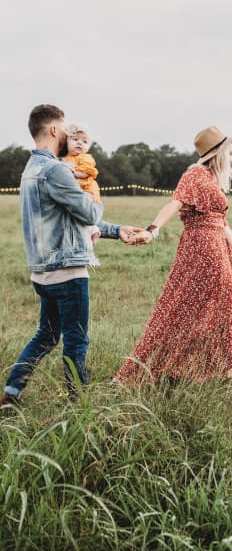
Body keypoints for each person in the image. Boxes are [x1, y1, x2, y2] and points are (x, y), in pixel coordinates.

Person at [0, 104, 142, 408]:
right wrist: (94, 192)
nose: (68, 135)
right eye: (65, 129)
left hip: (42, 272)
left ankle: (11, 394)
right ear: (54, 130)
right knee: (76, 341)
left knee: (47, 336)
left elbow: (70, 220)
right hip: (67, 271)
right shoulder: (55, 169)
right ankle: (79, 406)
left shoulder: (30, 170)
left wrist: (117, 231)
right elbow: (89, 211)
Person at [113, 125, 232, 385]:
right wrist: (152, 231)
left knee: (219, 309)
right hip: (201, 249)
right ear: (218, 153)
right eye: (228, 151)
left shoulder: (213, 180)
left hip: (217, 249)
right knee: (182, 309)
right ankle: (174, 368)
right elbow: (175, 202)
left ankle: (213, 370)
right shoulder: (195, 174)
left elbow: (223, 224)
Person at [63, 123, 101, 257]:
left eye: (84, 142)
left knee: (84, 209)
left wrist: (73, 172)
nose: (79, 143)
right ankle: (93, 230)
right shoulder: (65, 159)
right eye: (75, 140)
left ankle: (91, 233)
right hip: (76, 190)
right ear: (66, 141)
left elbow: (88, 172)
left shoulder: (85, 157)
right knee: (76, 214)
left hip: (87, 189)